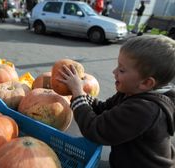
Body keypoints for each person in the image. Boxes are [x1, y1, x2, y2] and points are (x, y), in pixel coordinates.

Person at [57, 35, 175, 168]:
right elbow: (103, 108)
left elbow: (95, 129)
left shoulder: (144, 110)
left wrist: (78, 95)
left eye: (122, 70)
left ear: (146, 83)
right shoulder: (131, 92)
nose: (114, 72)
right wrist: (82, 94)